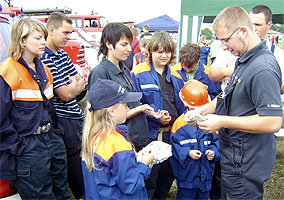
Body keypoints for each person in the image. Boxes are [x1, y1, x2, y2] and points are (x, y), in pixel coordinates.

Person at [188, 6, 282, 199]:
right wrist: (204, 110)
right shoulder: (243, 60)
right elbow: (227, 95)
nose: (223, 46)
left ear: (243, 32)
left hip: (247, 162)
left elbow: (272, 121)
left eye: (225, 39)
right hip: (235, 157)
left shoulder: (262, 68)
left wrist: (222, 121)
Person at [0, 18, 71, 199]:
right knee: (39, 195)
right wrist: (19, 147)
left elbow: (50, 106)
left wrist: (56, 134)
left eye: (44, 38)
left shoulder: (44, 69)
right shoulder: (7, 71)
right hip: (29, 145)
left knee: (61, 191)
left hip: (51, 139)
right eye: (38, 38)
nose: (43, 42)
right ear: (22, 41)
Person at [88, 22, 160, 152]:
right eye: (123, 44)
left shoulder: (124, 69)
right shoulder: (100, 73)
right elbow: (102, 117)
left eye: (129, 44)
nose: (129, 49)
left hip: (137, 136)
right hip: (120, 142)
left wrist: (144, 109)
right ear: (108, 44)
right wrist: (141, 109)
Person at [131, 31, 185, 199]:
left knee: (167, 175)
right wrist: (154, 116)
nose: (164, 55)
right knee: (149, 177)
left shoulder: (177, 75)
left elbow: (182, 106)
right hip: (149, 135)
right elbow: (133, 105)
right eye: (159, 51)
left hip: (171, 133)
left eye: (167, 51)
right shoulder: (138, 74)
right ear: (151, 51)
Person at [81, 78, 154, 199]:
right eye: (125, 105)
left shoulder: (92, 136)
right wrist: (144, 164)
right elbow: (132, 185)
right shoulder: (117, 144)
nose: (128, 109)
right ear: (111, 112)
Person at [41, 12, 85, 199]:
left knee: (80, 159)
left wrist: (71, 87)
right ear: (51, 29)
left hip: (74, 116)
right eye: (65, 33)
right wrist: (71, 87)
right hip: (64, 119)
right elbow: (65, 94)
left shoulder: (62, 54)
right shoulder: (44, 57)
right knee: (73, 163)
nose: (68, 38)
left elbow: (80, 81)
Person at [170, 80, 220, 200]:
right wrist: (188, 153)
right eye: (194, 108)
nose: (197, 111)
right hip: (187, 178)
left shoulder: (209, 121)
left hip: (206, 176)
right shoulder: (179, 125)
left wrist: (213, 152)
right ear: (186, 105)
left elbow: (216, 143)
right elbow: (174, 149)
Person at [249, 5, 284, 94]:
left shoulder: (277, 53)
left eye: (257, 24)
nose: (253, 28)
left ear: (269, 25)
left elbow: (282, 86)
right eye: (250, 24)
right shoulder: (236, 49)